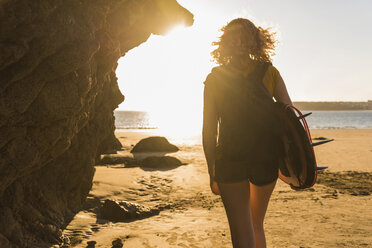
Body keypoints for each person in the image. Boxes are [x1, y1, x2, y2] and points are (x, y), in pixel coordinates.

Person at [202, 18, 293, 248]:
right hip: (249, 159)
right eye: (234, 37)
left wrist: (212, 171)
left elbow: (290, 122)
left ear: (255, 41)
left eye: (244, 36)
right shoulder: (218, 79)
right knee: (251, 226)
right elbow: (209, 129)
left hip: (250, 160)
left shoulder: (266, 73)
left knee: (247, 230)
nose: (239, 41)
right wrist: (211, 169)